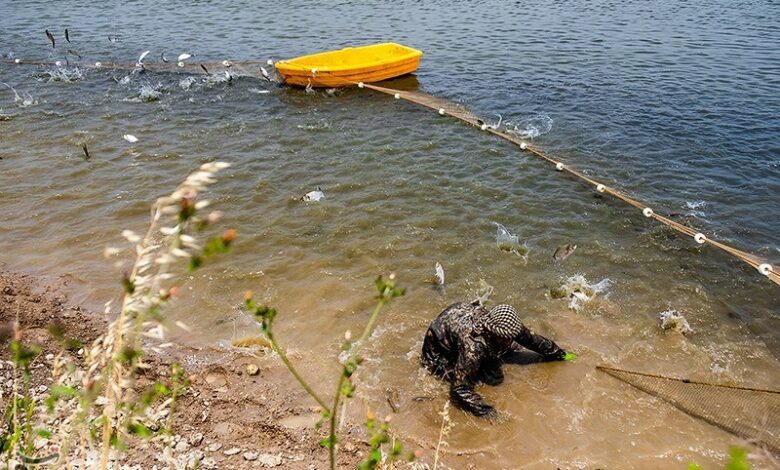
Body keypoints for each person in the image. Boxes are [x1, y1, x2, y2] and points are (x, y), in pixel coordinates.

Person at [421, 301, 567, 419]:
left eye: (511, 336)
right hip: (438, 345)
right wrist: (487, 412)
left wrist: (561, 354)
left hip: (459, 317)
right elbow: (459, 388)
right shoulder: (473, 348)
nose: (510, 340)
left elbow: (532, 340)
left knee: (511, 350)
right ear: (493, 332)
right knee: (466, 376)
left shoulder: (507, 323)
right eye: (505, 338)